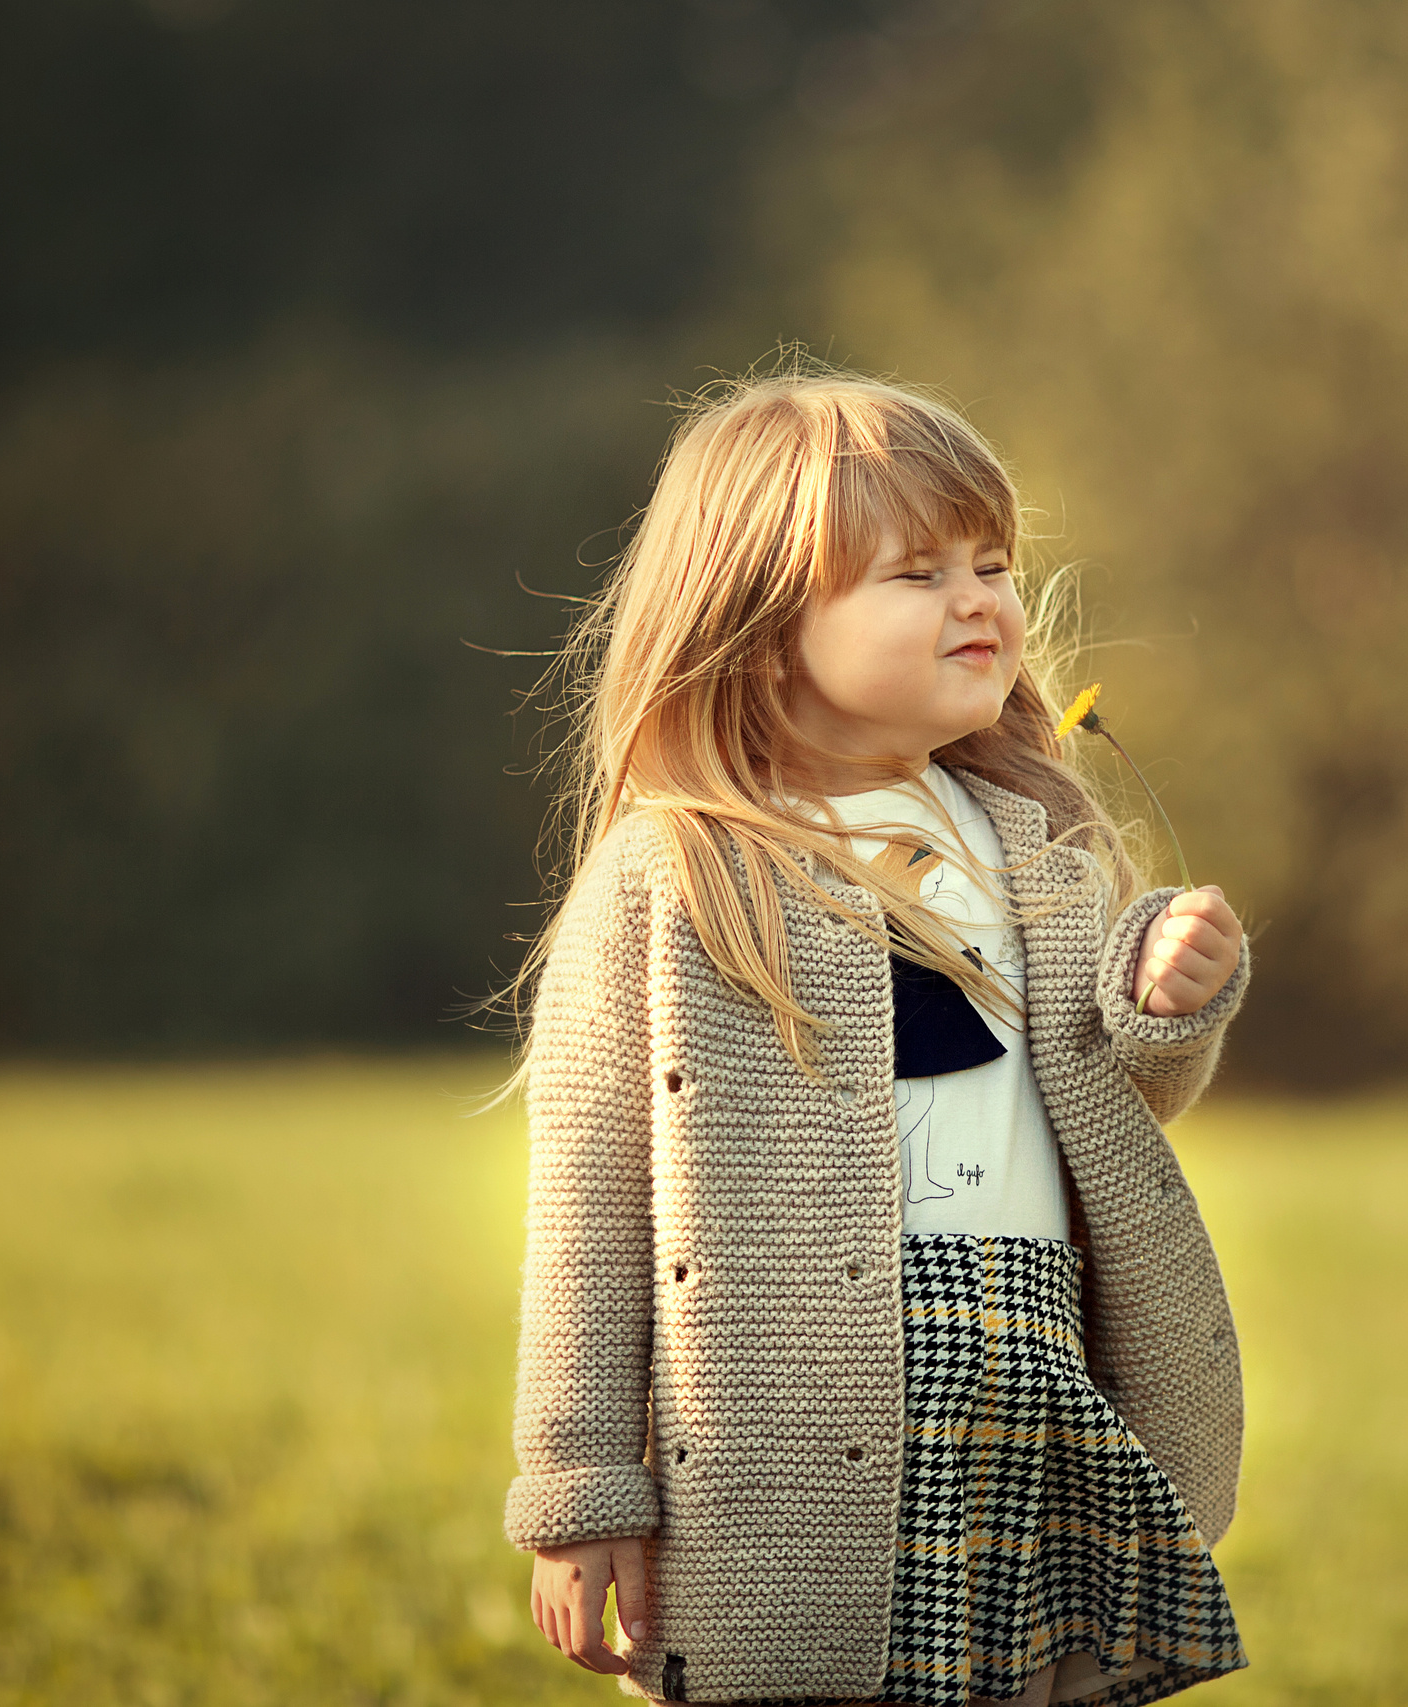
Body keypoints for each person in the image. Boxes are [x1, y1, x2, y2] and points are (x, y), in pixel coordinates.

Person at [498, 368, 1253, 1707]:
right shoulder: (678, 872)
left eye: (993, 565)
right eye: (918, 573)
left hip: (1030, 1372)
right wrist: (580, 1483)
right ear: (759, 627)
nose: (981, 600)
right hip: (788, 1419)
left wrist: (1169, 1007)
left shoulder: (1043, 844)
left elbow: (1121, 1094)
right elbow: (590, 1205)